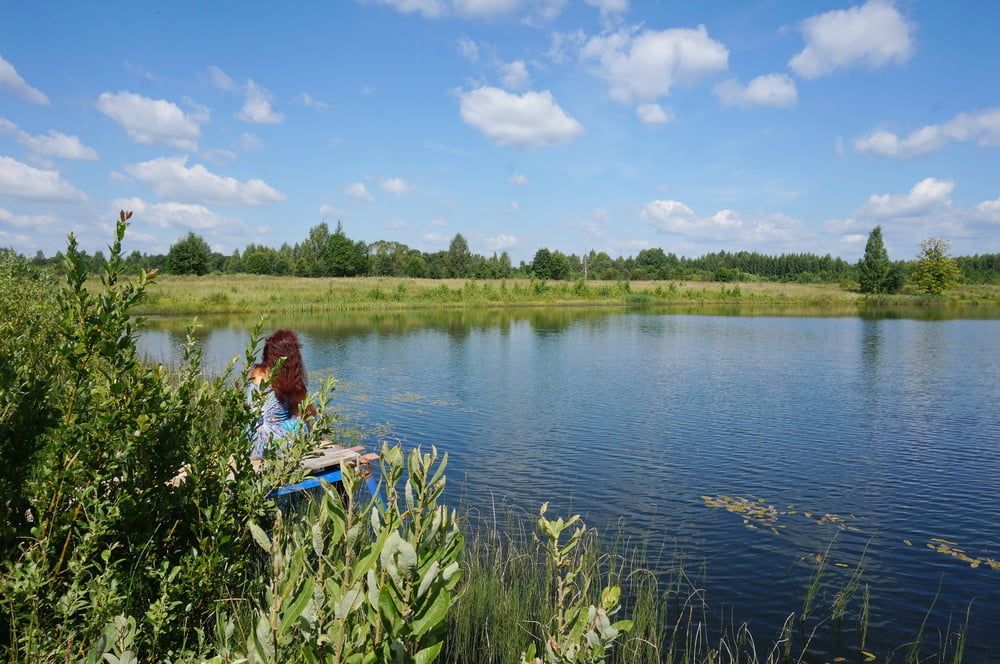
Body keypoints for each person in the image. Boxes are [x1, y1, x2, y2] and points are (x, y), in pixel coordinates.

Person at [246, 329, 314, 467]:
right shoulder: (288, 381)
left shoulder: (255, 371)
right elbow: (310, 413)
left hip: (249, 439)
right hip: (271, 444)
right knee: (300, 416)